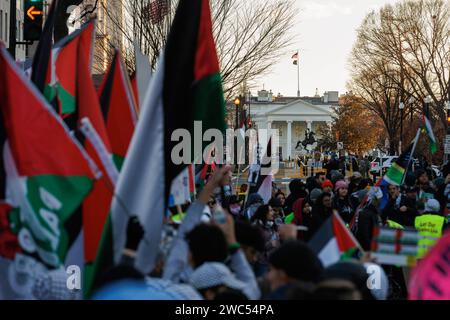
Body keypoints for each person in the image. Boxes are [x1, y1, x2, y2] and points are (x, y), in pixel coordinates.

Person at [250, 205, 280, 277]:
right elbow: (255, 245)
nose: (273, 212)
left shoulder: (270, 225)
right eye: (270, 210)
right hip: (260, 261)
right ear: (264, 212)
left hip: (270, 260)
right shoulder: (256, 226)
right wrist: (271, 244)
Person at [354, 187, 384, 251]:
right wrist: (372, 249)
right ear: (374, 199)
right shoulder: (365, 213)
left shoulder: (375, 211)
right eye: (379, 199)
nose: (381, 201)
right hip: (366, 250)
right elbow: (365, 236)